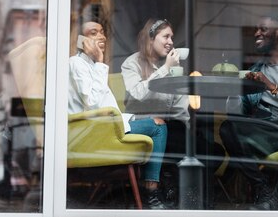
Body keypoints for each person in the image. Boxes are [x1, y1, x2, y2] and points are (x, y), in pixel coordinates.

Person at [218, 14, 278, 210]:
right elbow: (237, 116)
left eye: (263, 29)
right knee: (228, 128)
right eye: (256, 29)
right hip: (270, 132)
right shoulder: (254, 71)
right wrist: (235, 90)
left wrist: (272, 86)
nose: (257, 33)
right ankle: (263, 189)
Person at [68, 21, 169, 209]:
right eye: (94, 33)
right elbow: (92, 102)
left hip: (105, 125)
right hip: (94, 131)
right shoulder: (76, 63)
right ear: (81, 41)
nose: (102, 36)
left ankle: (150, 189)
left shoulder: (88, 64)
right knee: (158, 127)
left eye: (102, 32)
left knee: (156, 121)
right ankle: (151, 193)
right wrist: (99, 61)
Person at [121, 19, 189, 205]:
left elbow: (179, 108)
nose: (171, 42)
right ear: (151, 39)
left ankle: (188, 196)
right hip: (143, 124)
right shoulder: (131, 63)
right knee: (170, 134)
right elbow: (137, 93)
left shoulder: (170, 67)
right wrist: (165, 69)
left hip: (167, 125)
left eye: (172, 37)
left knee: (202, 144)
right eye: (166, 36)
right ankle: (160, 191)